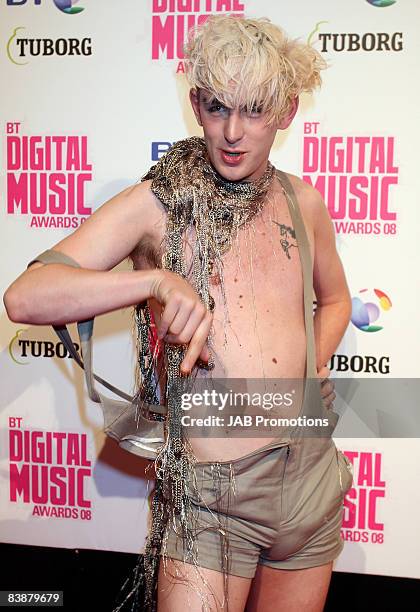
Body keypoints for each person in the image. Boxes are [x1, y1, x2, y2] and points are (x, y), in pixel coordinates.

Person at [3, 14, 352, 612]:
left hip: (310, 482)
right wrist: (155, 281)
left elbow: (337, 299)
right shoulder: (159, 201)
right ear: (195, 102)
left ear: (288, 111)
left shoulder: (305, 202)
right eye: (217, 108)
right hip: (212, 499)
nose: (233, 133)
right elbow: (26, 296)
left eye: (255, 111)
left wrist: (313, 362)